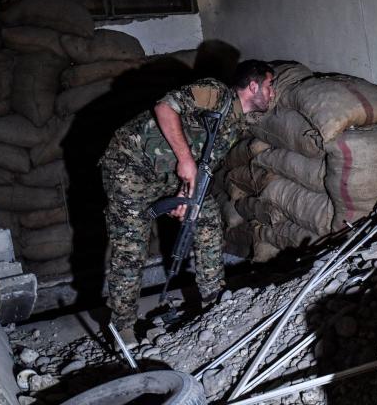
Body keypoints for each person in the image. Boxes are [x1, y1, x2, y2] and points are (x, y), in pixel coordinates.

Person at [99, 59, 275, 337]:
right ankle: (124, 327)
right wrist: (185, 162)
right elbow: (164, 108)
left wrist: (185, 193)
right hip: (130, 166)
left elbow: (203, 162)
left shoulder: (236, 123)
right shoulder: (215, 93)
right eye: (269, 86)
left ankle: (213, 299)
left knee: (206, 219)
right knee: (131, 246)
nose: (272, 93)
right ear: (253, 86)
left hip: (169, 175)